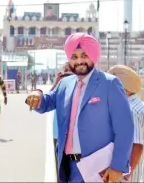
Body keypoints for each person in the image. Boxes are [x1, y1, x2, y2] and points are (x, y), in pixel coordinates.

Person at [26, 33, 134, 183]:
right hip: (68, 167)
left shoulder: (110, 84)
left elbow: (125, 129)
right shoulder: (65, 84)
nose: (79, 61)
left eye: (84, 55)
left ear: (93, 55)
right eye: (74, 57)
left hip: (99, 169)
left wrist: (117, 166)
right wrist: (37, 93)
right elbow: (47, 102)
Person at [108, 65, 144, 182]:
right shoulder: (137, 105)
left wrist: (126, 175)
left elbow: (136, 146)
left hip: (127, 177)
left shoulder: (130, 110)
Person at [50, 62, 73, 180]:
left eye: (70, 71)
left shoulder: (79, 86)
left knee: (73, 170)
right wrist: (57, 82)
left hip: (72, 134)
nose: (67, 74)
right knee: (60, 170)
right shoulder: (60, 85)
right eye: (65, 71)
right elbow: (49, 99)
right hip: (58, 132)